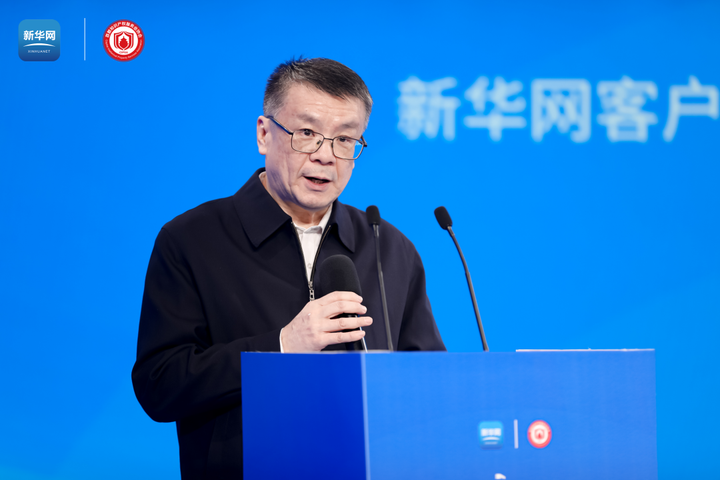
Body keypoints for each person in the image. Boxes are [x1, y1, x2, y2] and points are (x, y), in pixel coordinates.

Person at [132, 57, 445, 478]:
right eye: (308, 134)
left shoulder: (386, 245)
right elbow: (160, 385)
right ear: (264, 134)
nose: (326, 156)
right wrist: (280, 346)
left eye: (345, 139)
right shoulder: (192, 239)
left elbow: (430, 384)